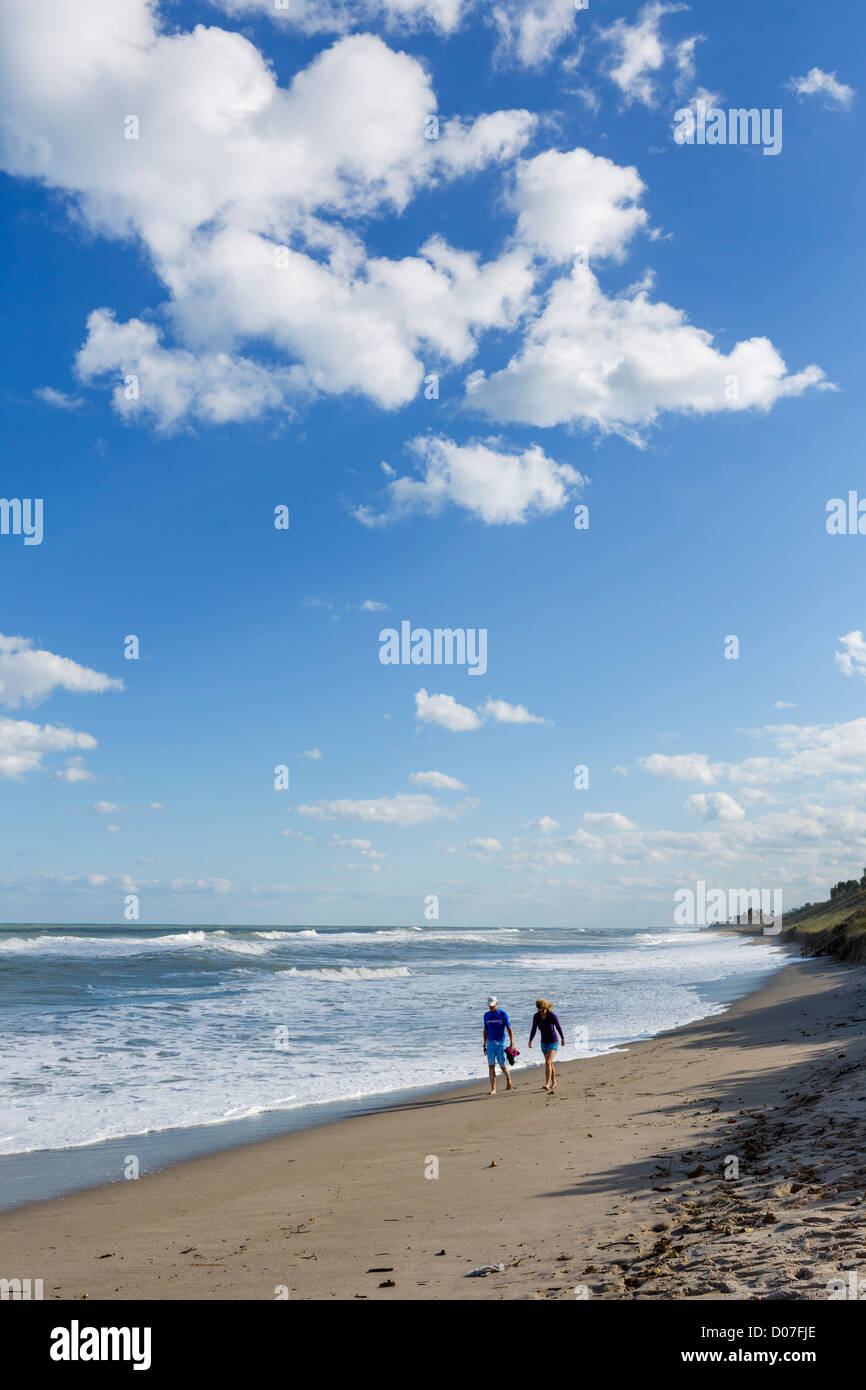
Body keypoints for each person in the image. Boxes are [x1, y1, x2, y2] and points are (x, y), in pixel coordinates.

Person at [528, 998, 565, 1092]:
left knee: (548, 1062)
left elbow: (558, 1027)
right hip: (543, 1042)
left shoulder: (552, 1016)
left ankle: (547, 1084)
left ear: (545, 1008)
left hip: (553, 1041)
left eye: (542, 1011)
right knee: (550, 1063)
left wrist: (562, 1038)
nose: (541, 1013)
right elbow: (533, 1029)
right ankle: (554, 1082)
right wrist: (530, 1040)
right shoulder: (536, 1016)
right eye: (539, 1011)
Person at [482, 994, 515, 1095]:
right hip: (491, 1043)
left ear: (497, 1003)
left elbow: (509, 1029)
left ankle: (508, 1078)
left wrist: (512, 1043)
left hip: (501, 1043)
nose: (491, 1007)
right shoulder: (486, 1015)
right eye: (489, 1005)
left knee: (502, 1066)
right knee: (491, 1066)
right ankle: (493, 1089)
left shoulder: (503, 1014)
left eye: (493, 1005)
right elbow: (485, 1031)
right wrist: (485, 1044)